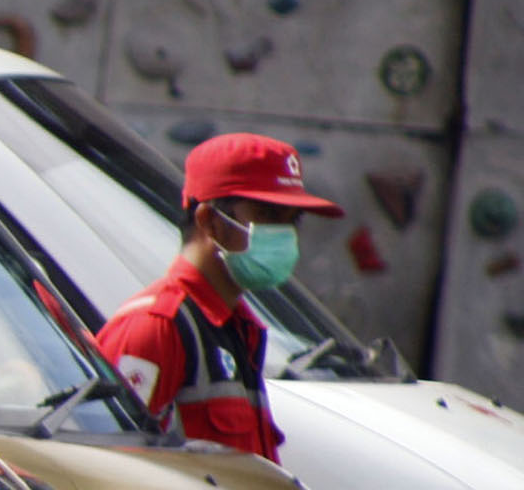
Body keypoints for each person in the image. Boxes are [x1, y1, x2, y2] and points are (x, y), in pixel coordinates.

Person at [88, 132, 342, 455]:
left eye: (293, 222)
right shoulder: (157, 327)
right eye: (268, 216)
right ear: (209, 221)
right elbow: (111, 466)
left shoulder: (240, 329)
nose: (285, 236)